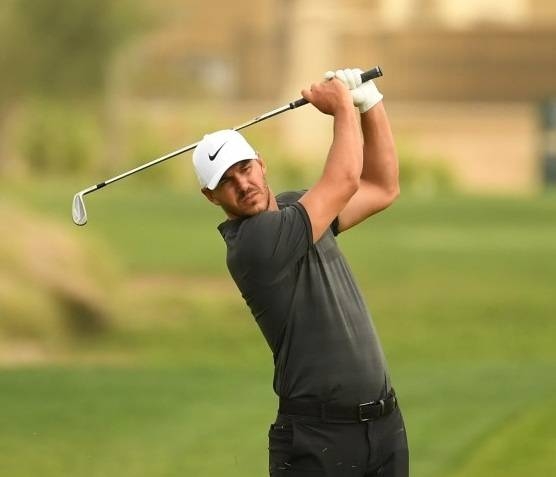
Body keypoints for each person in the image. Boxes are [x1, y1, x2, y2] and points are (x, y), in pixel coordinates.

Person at [192, 68, 408, 477]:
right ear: (211, 196)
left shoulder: (300, 209)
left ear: (261, 163)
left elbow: (382, 186)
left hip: (383, 427)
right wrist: (343, 107)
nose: (243, 183)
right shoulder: (253, 243)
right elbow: (344, 179)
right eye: (226, 180)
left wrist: (370, 103)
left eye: (245, 168)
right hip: (318, 438)